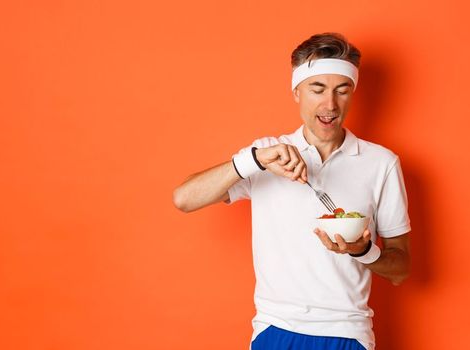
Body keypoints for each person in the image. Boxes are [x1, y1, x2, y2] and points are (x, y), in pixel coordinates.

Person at [172, 33, 411, 350]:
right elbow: (184, 199)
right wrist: (252, 160)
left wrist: (361, 251)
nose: (330, 105)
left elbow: (401, 269)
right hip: (276, 327)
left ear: (353, 94)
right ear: (296, 91)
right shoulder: (266, 154)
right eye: (318, 89)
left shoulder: (380, 163)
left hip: (348, 332)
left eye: (342, 90)